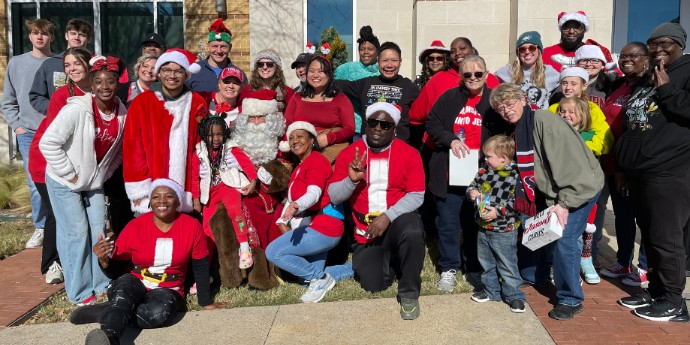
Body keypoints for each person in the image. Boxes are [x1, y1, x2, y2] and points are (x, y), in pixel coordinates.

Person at [490, 83, 603, 321]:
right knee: (537, 230)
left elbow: (570, 165)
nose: (506, 111)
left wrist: (564, 204)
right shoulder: (521, 127)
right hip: (555, 189)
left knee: (565, 238)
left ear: (522, 99)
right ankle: (536, 275)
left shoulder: (544, 121)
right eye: (500, 109)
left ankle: (570, 299)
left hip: (579, 186)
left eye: (509, 104)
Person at [73, 180, 225, 345]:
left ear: (178, 201)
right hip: (135, 281)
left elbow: (200, 267)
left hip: (169, 289)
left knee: (156, 315)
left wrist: (206, 302)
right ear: (150, 203)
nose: (161, 201)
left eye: (168, 196)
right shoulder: (134, 226)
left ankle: (110, 311)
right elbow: (116, 271)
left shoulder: (192, 226)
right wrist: (104, 260)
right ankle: (109, 338)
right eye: (155, 197)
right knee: (123, 293)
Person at [616, 23, 690, 322]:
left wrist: (669, 90)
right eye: (653, 43)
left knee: (666, 237)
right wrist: (622, 166)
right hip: (640, 171)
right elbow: (633, 123)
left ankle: (674, 301)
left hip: (669, 172)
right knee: (650, 236)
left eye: (666, 43)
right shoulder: (647, 77)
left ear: (680, 45)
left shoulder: (684, 71)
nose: (659, 48)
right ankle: (657, 290)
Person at [326, 102, 426, 320]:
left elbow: (417, 195)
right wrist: (351, 182)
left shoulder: (409, 153)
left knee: (413, 230)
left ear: (394, 129)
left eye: (385, 124)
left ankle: (409, 292)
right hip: (366, 230)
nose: (378, 128)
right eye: (373, 122)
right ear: (366, 125)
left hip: (397, 221)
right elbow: (334, 196)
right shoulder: (350, 154)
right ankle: (394, 259)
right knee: (373, 285)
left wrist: (387, 216)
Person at [39, 56, 127, 306]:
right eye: (98, 82)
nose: (104, 87)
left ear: (116, 83)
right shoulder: (77, 109)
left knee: (99, 231)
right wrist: (70, 173)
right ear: (91, 84)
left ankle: (101, 283)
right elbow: (48, 143)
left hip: (93, 182)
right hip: (62, 179)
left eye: (110, 81)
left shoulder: (121, 111)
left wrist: (103, 175)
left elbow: (118, 150)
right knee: (76, 233)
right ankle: (78, 290)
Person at [426, 56, 509, 292]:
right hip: (449, 174)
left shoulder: (494, 101)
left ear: (486, 73)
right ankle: (449, 268)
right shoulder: (450, 98)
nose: (473, 78)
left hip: (482, 176)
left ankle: (474, 267)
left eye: (478, 74)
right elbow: (432, 124)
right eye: (467, 74)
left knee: (477, 223)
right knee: (448, 223)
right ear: (461, 76)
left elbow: (504, 132)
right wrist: (450, 139)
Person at [28, 47, 92, 285]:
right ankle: (52, 264)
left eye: (77, 63)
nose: (72, 69)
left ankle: (78, 261)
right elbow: (56, 139)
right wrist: (69, 173)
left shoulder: (99, 91)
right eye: (67, 65)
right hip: (48, 161)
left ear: (88, 65)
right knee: (57, 215)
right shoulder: (62, 95)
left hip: (78, 164)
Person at [123, 48, 208, 214]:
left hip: (186, 188)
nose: (172, 75)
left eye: (178, 71)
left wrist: (195, 192)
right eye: (167, 70)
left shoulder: (197, 103)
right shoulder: (142, 102)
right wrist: (141, 188)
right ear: (159, 73)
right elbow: (133, 148)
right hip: (150, 188)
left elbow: (199, 150)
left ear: (186, 75)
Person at [266, 121, 344, 303]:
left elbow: (314, 193)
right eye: (291, 137)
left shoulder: (316, 161)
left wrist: (297, 205)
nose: (294, 141)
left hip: (326, 227)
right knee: (305, 279)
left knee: (273, 252)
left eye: (300, 136)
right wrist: (283, 218)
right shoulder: (301, 165)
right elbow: (294, 197)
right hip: (317, 225)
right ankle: (357, 269)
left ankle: (322, 279)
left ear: (311, 140)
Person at [598, 42, 649, 287]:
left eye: (634, 56)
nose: (627, 60)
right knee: (623, 215)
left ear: (646, 59)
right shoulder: (618, 84)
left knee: (645, 217)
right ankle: (624, 261)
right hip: (613, 162)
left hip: (634, 164)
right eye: (624, 56)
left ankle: (647, 266)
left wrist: (623, 167)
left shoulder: (649, 86)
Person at [2, 19, 54, 251]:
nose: (39, 37)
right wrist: (17, 126)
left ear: (52, 37)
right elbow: (8, 100)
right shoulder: (16, 63)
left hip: (56, 131)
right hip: (29, 132)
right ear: (30, 37)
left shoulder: (59, 62)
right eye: (35, 33)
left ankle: (57, 224)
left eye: (44, 33)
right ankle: (41, 226)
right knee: (35, 183)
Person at [466, 135, 525, 313]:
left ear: (503, 158)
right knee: (486, 261)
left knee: (507, 263)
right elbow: (472, 185)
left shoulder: (515, 175)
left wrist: (498, 211)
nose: (485, 159)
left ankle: (514, 295)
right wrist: (472, 192)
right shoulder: (484, 171)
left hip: (505, 229)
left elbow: (517, 201)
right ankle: (491, 290)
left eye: (489, 156)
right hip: (483, 227)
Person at [192, 115, 257, 269]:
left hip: (228, 186)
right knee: (206, 229)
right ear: (204, 135)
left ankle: (244, 247)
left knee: (236, 211)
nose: (215, 138)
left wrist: (253, 181)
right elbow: (194, 179)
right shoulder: (199, 153)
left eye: (219, 134)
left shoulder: (230, 148)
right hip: (210, 193)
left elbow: (246, 164)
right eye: (211, 135)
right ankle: (205, 269)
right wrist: (196, 201)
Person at [227, 92, 289, 249]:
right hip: (245, 196)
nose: (255, 123)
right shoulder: (235, 146)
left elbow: (285, 174)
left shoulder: (280, 146)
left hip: (273, 197)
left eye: (260, 117)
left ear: (270, 120)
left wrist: (269, 174)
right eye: (251, 118)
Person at [556, 96, 606, 284]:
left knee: (583, 229)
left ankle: (583, 261)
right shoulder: (555, 133)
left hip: (585, 192)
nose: (566, 115)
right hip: (561, 190)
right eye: (562, 111)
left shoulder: (588, 136)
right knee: (562, 230)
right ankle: (563, 267)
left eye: (571, 112)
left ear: (582, 115)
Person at [409, 37, 500, 131]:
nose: (457, 53)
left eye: (462, 48)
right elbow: (415, 115)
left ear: (472, 50)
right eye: (453, 51)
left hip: (484, 143)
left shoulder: (491, 80)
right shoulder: (437, 80)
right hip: (443, 142)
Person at [337, 41, 419, 143]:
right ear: (378, 62)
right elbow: (338, 84)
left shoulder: (410, 88)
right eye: (384, 60)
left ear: (400, 62)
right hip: (369, 148)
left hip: (398, 149)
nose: (389, 65)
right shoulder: (366, 84)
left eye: (394, 60)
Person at [284, 56, 354, 163]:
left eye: (321, 71)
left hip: (330, 151)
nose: (315, 75)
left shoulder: (340, 99)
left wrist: (329, 138)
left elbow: (349, 129)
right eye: (311, 71)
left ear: (329, 75)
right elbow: (287, 124)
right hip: (300, 151)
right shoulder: (297, 98)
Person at [29, 18, 92, 115]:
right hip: (58, 121)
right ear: (66, 36)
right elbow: (36, 96)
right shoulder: (50, 64)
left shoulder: (95, 64)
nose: (76, 37)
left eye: (82, 35)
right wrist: (55, 109)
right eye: (73, 33)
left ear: (89, 39)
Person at [547, 67, 613, 157]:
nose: (568, 87)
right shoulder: (554, 108)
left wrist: (577, 146)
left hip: (584, 158)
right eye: (564, 83)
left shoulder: (591, 108)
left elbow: (604, 138)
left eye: (573, 84)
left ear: (584, 86)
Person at [334, 25, 381, 137]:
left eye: (370, 49)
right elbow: (332, 88)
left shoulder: (382, 71)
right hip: (351, 126)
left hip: (375, 128)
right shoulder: (346, 69)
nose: (365, 52)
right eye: (362, 49)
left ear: (377, 51)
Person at [494, 31, 559, 110]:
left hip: (541, 119)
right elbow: (490, 80)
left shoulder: (549, 72)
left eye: (532, 48)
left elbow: (567, 83)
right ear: (518, 53)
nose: (527, 52)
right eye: (522, 49)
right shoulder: (509, 71)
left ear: (538, 51)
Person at [542, 11, 616, 72]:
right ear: (561, 30)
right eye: (566, 27)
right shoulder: (546, 53)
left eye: (577, 27)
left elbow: (615, 77)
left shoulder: (595, 52)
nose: (571, 31)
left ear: (584, 30)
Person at [187, 18, 248, 92]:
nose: (219, 51)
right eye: (214, 46)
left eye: (223, 46)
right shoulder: (194, 71)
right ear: (208, 47)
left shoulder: (238, 74)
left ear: (230, 48)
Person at [241, 49, 295, 113]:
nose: (265, 67)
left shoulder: (287, 92)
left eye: (269, 64)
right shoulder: (247, 90)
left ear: (277, 68)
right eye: (260, 64)